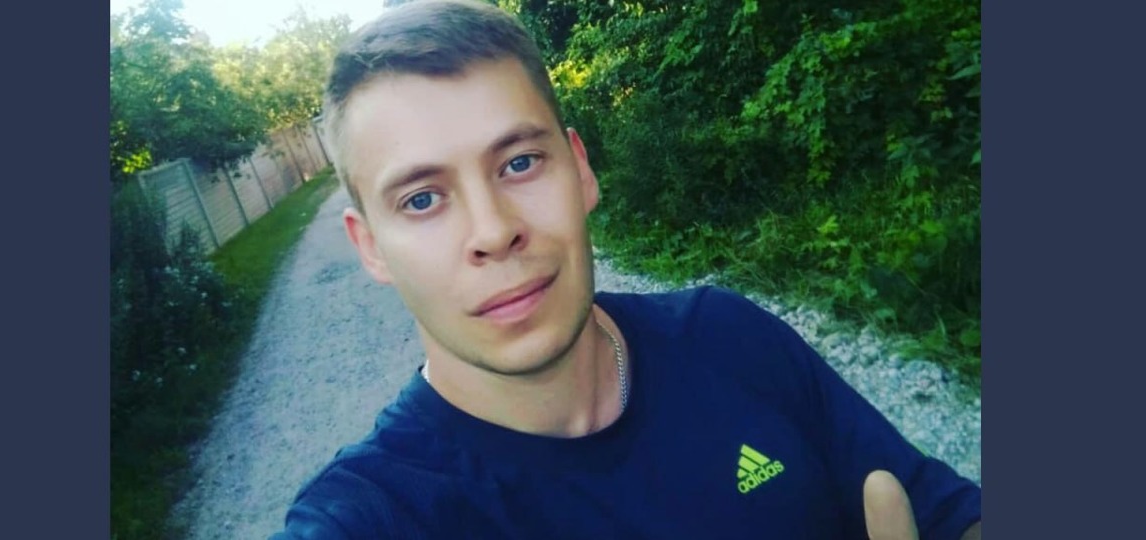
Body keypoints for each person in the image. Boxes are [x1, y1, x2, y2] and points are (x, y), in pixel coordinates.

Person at [273, 1, 982, 538]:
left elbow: (948, 513)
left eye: (520, 163)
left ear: (580, 170)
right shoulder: (373, 515)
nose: (493, 231)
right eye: (423, 199)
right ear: (370, 246)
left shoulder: (728, 336)